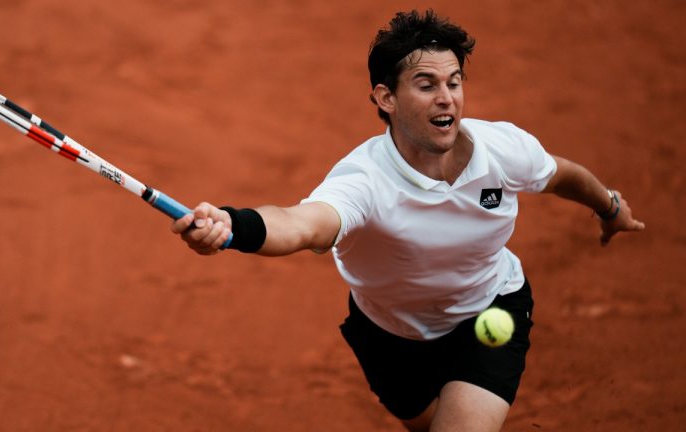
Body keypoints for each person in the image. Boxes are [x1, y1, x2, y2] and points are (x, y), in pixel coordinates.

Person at [170, 9, 645, 432]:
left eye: (454, 82)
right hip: (388, 336)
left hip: (490, 309)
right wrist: (233, 225)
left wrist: (609, 206)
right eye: (426, 85)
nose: (447, 99)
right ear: (386, 98)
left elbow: (560, 174)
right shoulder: (365, 179)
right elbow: (301, 223)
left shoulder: (501, 149)